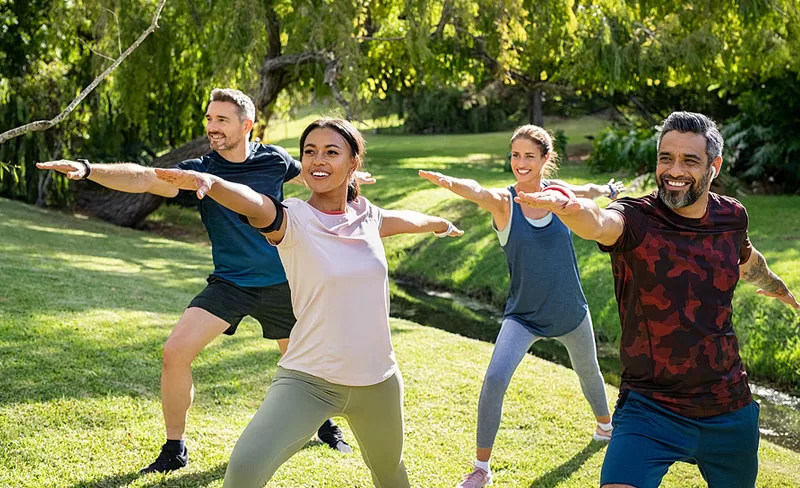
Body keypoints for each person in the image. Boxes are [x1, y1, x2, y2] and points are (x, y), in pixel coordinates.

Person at [35, 88, 370, 474]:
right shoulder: (199, 170)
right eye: (209, 119)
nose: (212, 127)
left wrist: (351, 175)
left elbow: (306, 176)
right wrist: (89, 169)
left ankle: (324, 426)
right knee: (175, 352)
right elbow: (146, 178)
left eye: (221, 120)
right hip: (229, 283)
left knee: (302, 362)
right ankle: (174, 448)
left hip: (284, 282)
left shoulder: (274, 159)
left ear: (247, 125)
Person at [154, 117, 463, 487]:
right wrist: (213, 183)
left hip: (377, 381)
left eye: (331, 152)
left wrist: (438, 224)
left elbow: (404, 219)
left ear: (353, 163)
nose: (318, 160)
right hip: (308, 381)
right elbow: (254, 203)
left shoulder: (367, 215)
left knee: (390, 475)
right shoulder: (292, 219)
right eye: (310, 152)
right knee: (243, 473)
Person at [514, 111, 799, 488]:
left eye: (689, 160)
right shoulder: (636, 218)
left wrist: (779, 288)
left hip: (727, 410)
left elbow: (747, 260)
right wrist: (570, 208)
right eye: (666, 158)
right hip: (650, 409)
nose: (674, 170)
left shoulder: (731, 216)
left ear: (714, 166)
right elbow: (600, 222)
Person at [419, 124, 623, 488]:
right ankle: (481, 469)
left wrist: (607, 191)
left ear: (546, 160)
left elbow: (585, 191)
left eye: (530, 156)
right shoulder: (505, 203)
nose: (521, 162)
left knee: (589, 372)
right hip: (524, 316)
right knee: (495, 377)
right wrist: (449, 182)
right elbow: (478, 190)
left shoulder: (560, 194)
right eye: (515, 155)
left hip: (570, 310)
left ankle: (606, 427)